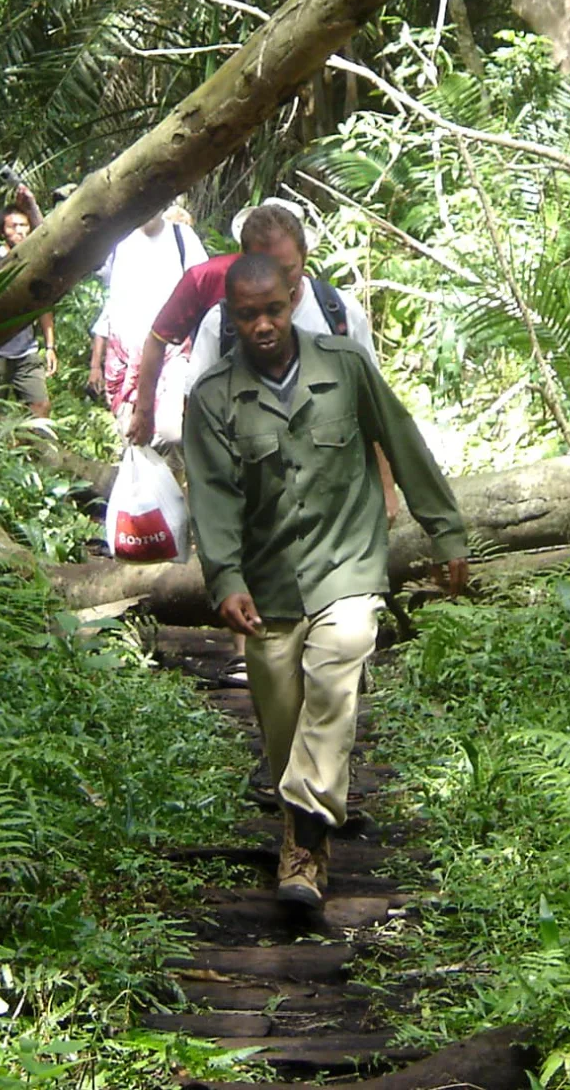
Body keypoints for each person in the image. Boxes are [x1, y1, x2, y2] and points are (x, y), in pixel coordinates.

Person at [179, 251, 470, 907]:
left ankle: (304, 846)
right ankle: (300, 824)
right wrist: (225, 578)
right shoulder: (213, 398)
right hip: (270, 582)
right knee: (284, 726)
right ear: (231, 315)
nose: (262, 326)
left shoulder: (344, 366)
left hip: (348, 564)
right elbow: (214, 500)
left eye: (273, 310)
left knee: (338, 663)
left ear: (294, 298)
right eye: (248, 315)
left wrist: (444, 529)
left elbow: (402, 441)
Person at [125, 201, 367, 445]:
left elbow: (372, 407)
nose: (276, 282)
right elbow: (161, 345)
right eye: (266, 269)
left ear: (303, 256)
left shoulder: (338, 312)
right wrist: (144, 412)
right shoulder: (209, 289)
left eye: (287, 269)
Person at [90, 203, 205, 424]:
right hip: (123, 357)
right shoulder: (117, 240)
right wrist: (95, 363)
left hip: (171, 351)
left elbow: (203, 286)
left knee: (171, 429)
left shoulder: (183, 237)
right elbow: (112, 303)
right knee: (129, 431)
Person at [0, 205, 56, 417]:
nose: (20, 231)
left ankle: (31, 450)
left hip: (27, 351)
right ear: (2, 232)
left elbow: (44, 304)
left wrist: (50, 346)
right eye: (13, 226)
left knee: (40, 407)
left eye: (24, 225)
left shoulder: (36, 262)